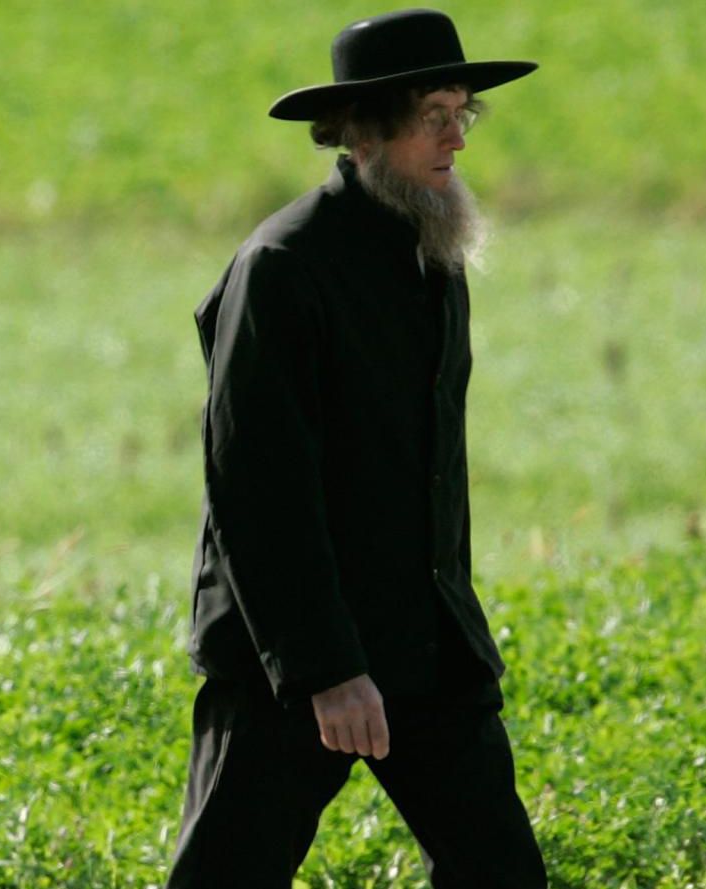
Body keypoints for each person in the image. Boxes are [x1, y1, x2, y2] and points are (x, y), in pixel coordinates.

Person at [170, 9, 546, 887]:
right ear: (364, 130)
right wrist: (328, 669)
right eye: (434, 115)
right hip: (292, 660)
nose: (458, 135)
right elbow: (255, 488)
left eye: (464, 112)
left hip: (426, 646)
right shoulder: (283, 265)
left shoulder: (435, 246)